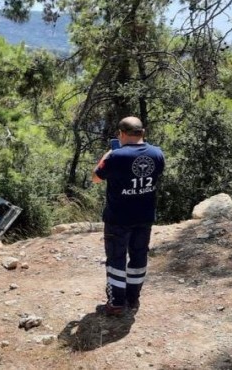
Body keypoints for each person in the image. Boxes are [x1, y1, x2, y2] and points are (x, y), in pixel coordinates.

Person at [92, 116, 165, 316]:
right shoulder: (158, 154)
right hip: (145, 217)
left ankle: (116, 303)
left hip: (118, 219)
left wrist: (108, 154)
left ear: (122, 134)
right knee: (139, 256)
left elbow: (96, 177)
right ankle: (133, 299)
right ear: (143, 132)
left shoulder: (116, 157)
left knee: (116, 258)